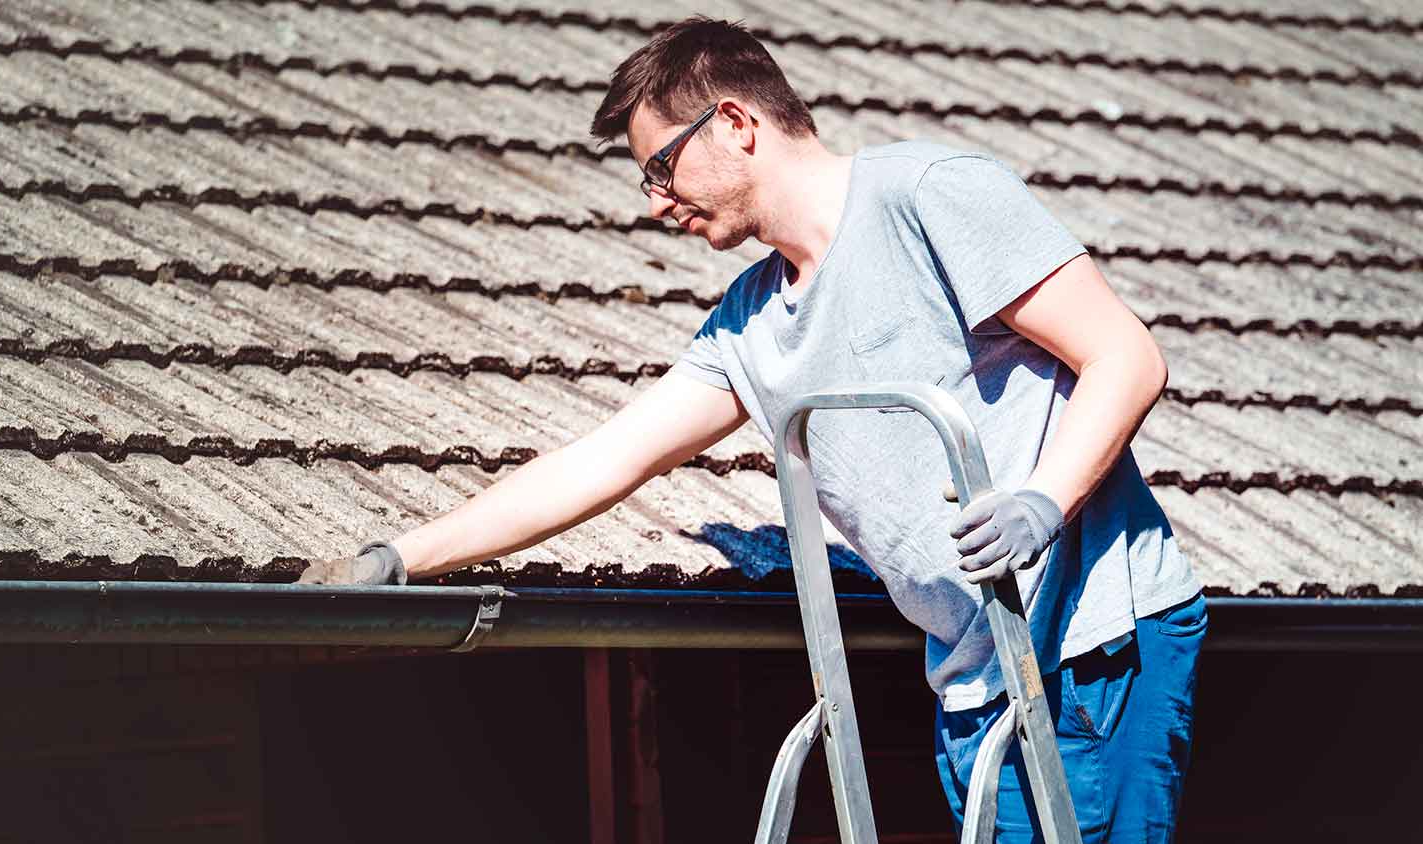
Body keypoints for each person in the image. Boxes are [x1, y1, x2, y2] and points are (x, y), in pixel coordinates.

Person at [298, 16, 1207, 843]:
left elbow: (1128, 357)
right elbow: (606, 459)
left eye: (660, 168)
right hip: (973, 673)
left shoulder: (929, 196)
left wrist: (1042, 501)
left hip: (1091, 649)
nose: (655, 202)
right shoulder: (752, 323)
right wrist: (400, 557)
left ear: (736, 123)